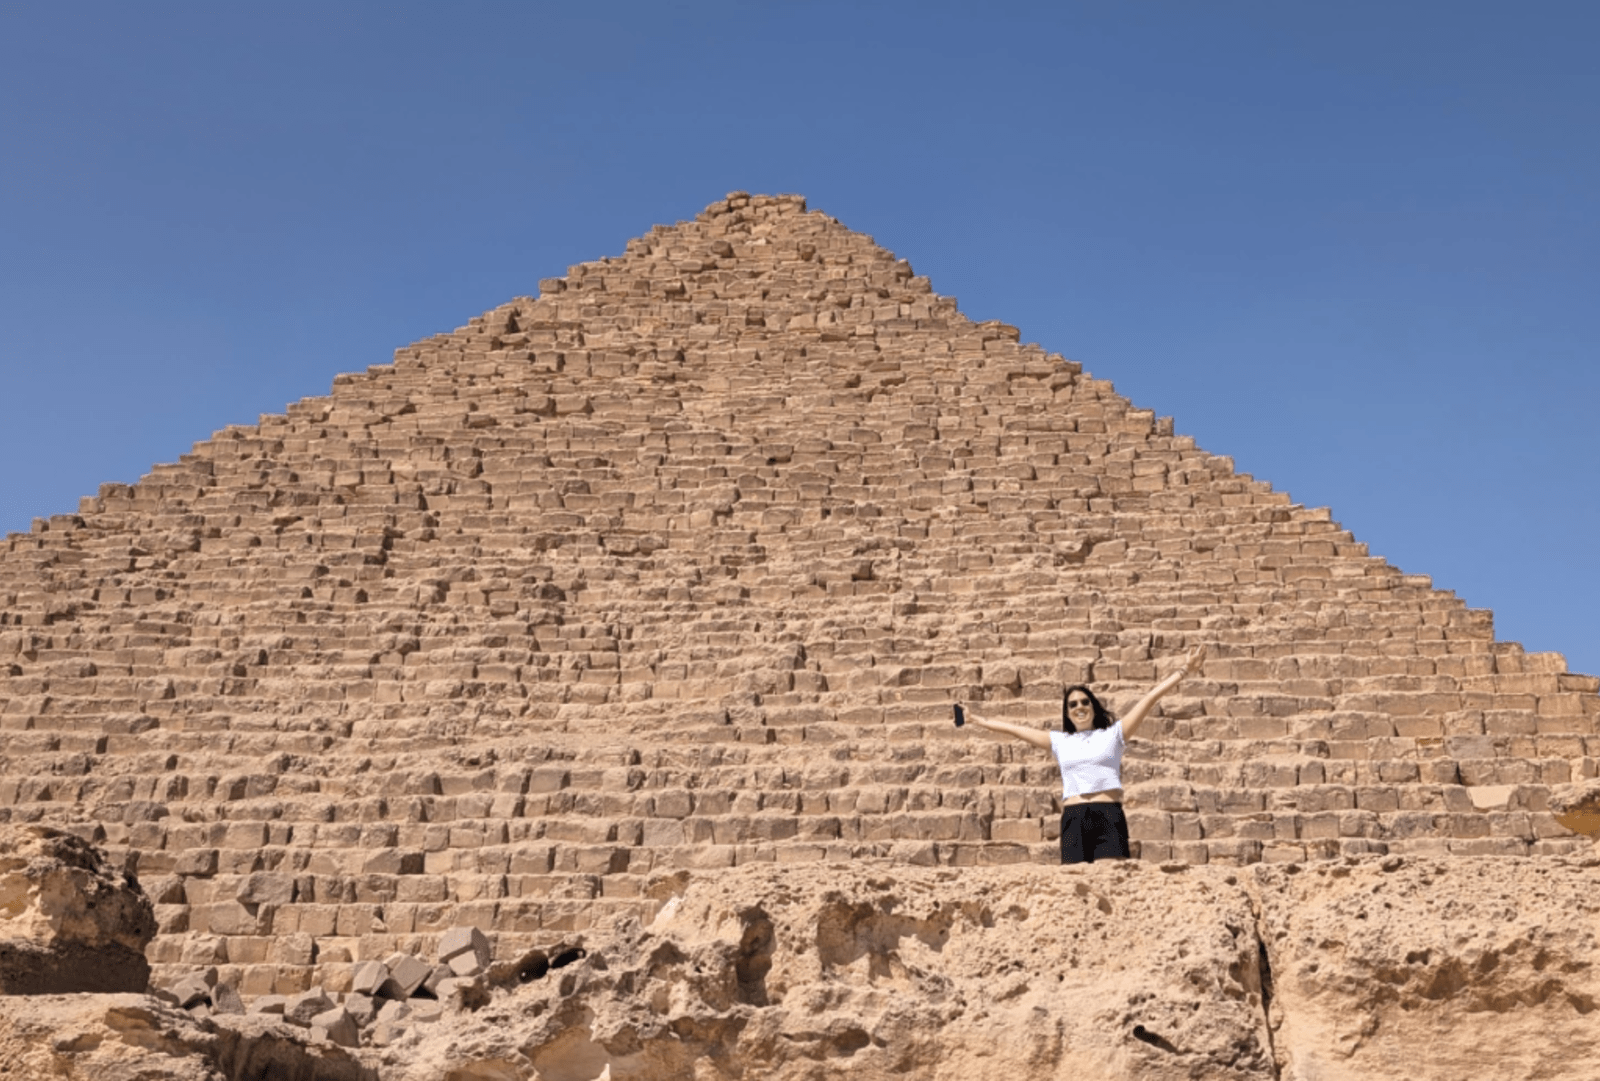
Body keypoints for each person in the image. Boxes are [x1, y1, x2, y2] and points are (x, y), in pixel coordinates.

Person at [959, 646, 1207, 864]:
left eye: (1085, 702)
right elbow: (1013, 729)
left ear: (1093, 706)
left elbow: (1150, 698)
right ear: (1067, 713)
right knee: (1077, 891)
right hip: (1073, 818)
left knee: (1110, 883)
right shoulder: (1059, 741)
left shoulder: (1114, 734)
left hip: (1107, 815)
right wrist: (974, 719)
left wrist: (1185, 669)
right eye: (1073, 704)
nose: (1079, 707)